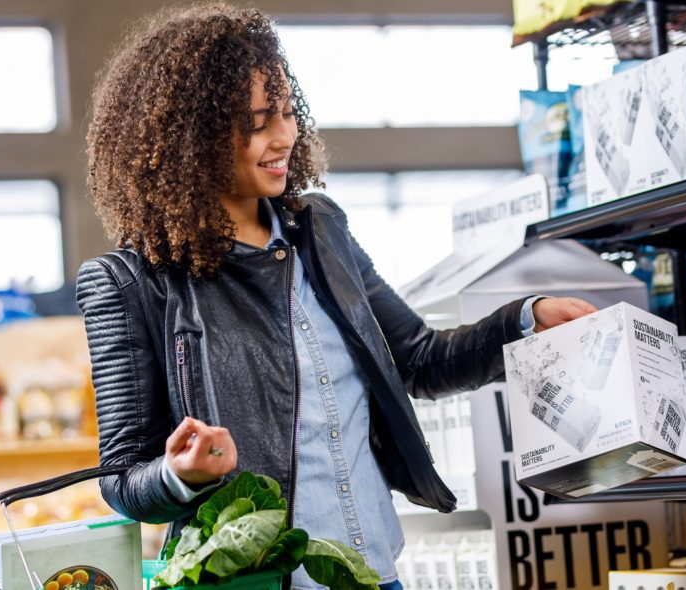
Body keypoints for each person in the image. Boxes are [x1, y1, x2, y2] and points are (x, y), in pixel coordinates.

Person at [75, 4, 597, 588]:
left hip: (375, 574)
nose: (284, 137)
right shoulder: (130, 283)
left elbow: (419, 360)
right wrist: (181, 474)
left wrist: (525, 322)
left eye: (288, 113)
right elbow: (121, 478)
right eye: (256, 122)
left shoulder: (319, 231)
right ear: (190, 137)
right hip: (263, 581)